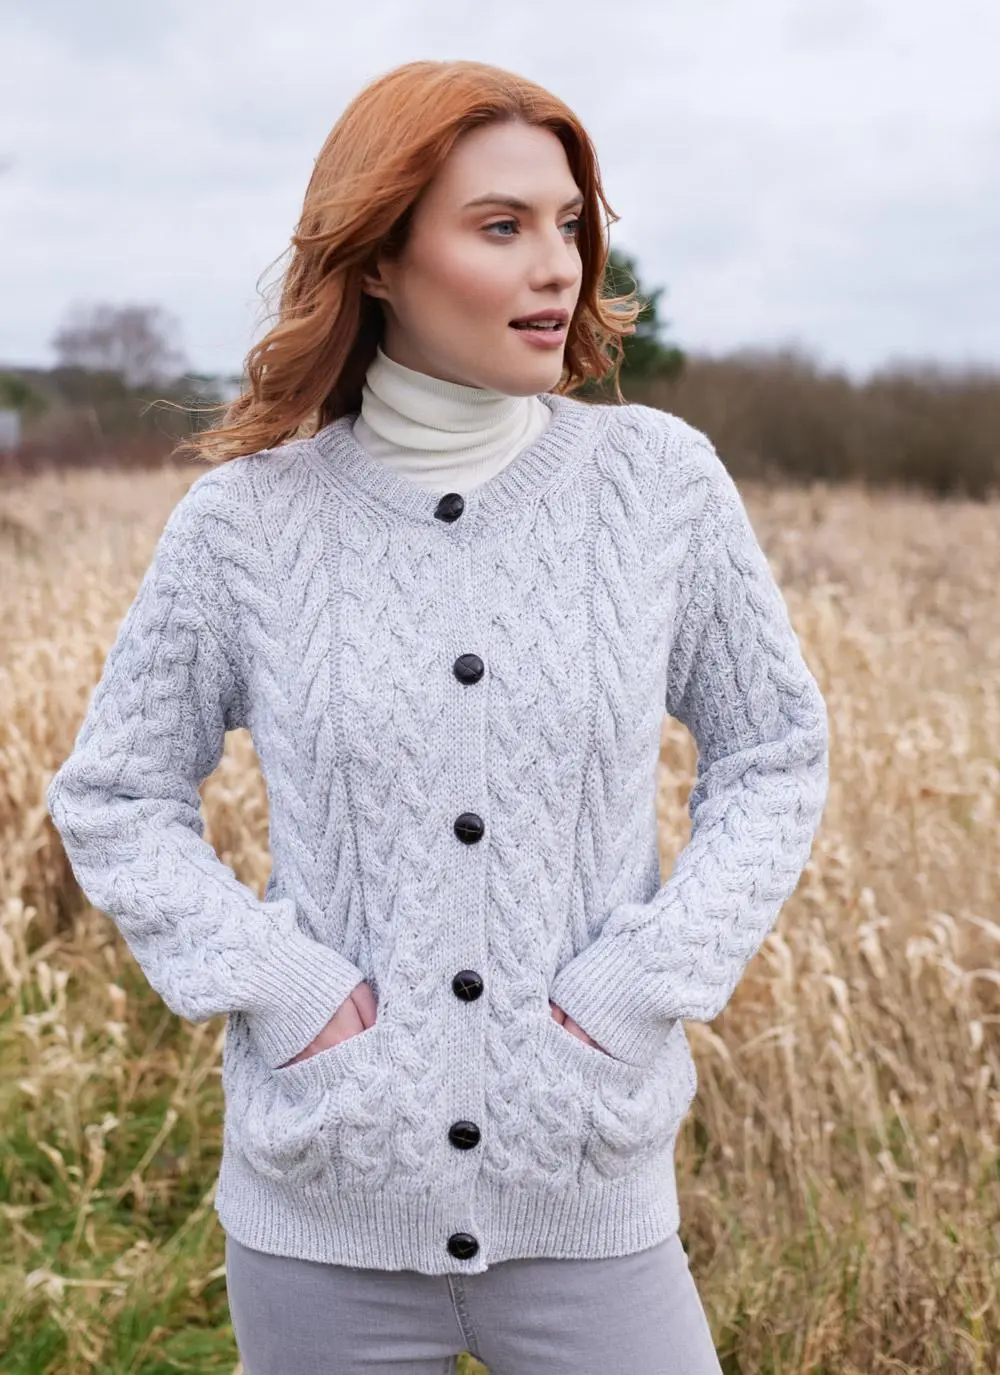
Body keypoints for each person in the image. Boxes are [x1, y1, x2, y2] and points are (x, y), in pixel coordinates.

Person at [46, 58, 829, 1375]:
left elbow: (773, 752)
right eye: (500, 226)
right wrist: (285, 990)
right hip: (325, 1203)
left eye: (568, 223)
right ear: (377, 259)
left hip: (588, 1189)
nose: (557, 266)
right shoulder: (249, 524)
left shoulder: (657, 487)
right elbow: (116, 794)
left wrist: (642, 982)